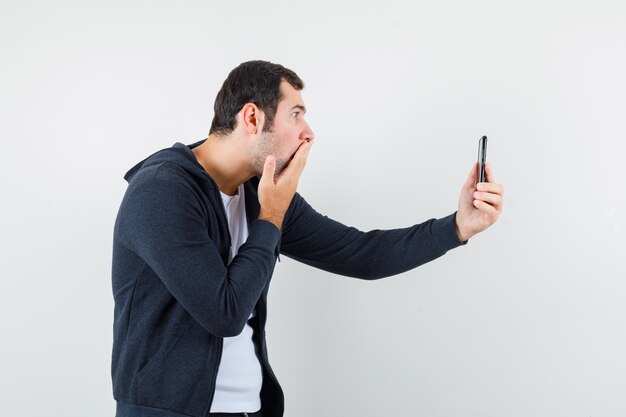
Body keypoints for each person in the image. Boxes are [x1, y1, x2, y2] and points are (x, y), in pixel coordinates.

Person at [110, 60, 504, 417]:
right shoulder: (162, 191)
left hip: (250, 410)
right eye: (295, 114)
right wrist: (272, 215)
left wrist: (457, 227)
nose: (308, 132)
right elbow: (225, 312)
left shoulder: (259, 194)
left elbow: (362, 255)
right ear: (252, 117)